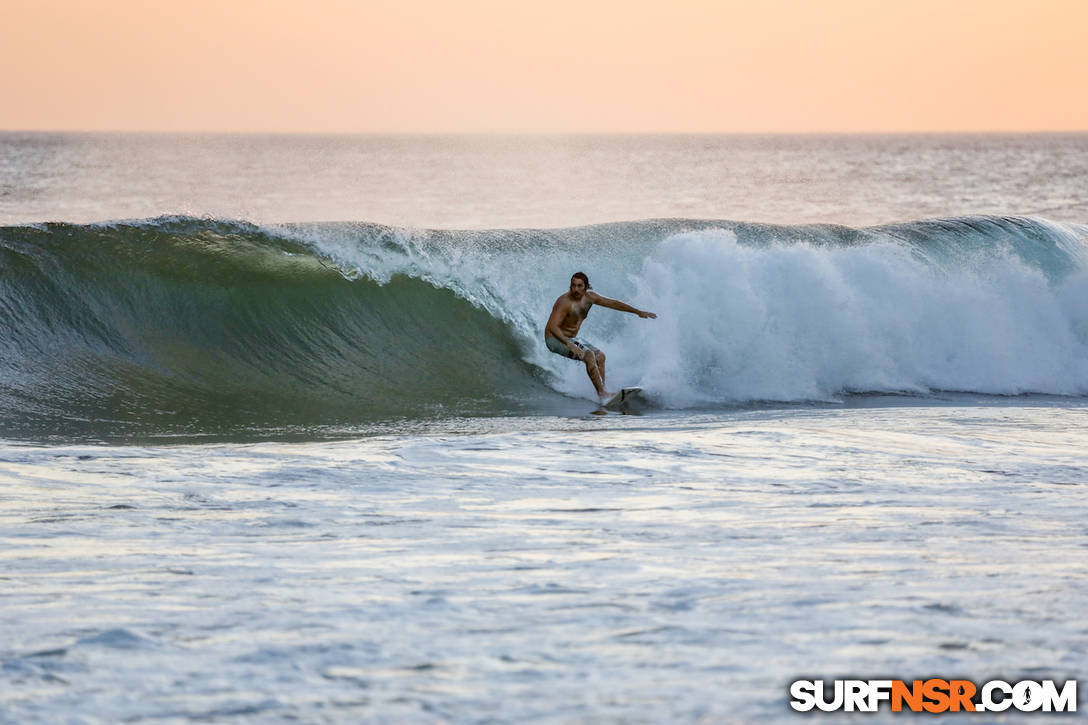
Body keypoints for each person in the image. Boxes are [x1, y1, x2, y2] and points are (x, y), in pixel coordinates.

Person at [544, 272, 656, 402]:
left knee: (600, 356)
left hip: (571, 339)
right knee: (589, 355)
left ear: (586, 287)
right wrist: (569, 345)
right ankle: (602, 393)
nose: (576, 289)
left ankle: (604, 393)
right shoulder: (564, 302)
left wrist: (637, 312)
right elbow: (552, 327)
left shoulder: (590, 297)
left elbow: (613, 303)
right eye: (573, 285)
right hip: (554, 339)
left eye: (580, 286)